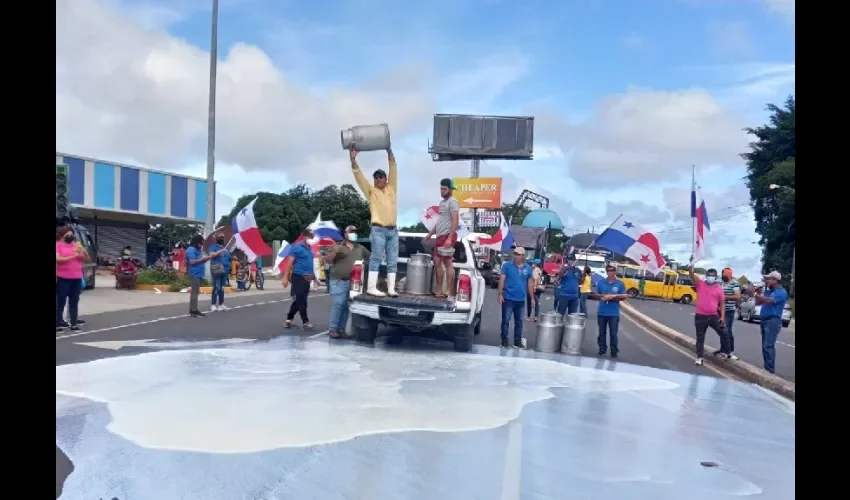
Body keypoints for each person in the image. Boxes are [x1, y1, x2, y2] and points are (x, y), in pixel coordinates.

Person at [350, 146, 399, 297]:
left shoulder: (392, 188)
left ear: (385, 179)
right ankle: (371, 287)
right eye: (376, 178)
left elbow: (393, 169)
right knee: (376, 257)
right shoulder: (371, 191)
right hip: (378, 229)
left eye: (381, 177)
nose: (378, 180)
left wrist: (390, 153)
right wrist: (353, 160)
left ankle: (391, 288)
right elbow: (359, 178)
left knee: (392, 260)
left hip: (393, 230)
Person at [324, 225, 370, 339]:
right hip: (338, 280)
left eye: (355, 231)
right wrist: (334, 252)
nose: (354, 233)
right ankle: (333, 329)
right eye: (351, 231)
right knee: (338, 304)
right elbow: (328, 260)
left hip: (353, 282)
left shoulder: (360, 248)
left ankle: (340, 329)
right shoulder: (338, 247)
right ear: (345, 234)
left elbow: (370, 257)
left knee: (346, 306)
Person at [424, 178, 460, 299]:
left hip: (447, 235)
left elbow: (455, 220)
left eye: (444, 189)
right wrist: (430, 234)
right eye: (441, 188)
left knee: (447, 262)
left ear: (450, 189)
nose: (442, 191)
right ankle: (438, 290)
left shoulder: (453, 202)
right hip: (439, 236)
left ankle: (448, 291)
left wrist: (450, 238)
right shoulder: (442, 203)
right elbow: (440, 221)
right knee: (437, 261)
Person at [689, 265, 731, 365]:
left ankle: (727, 352)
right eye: (708, 275)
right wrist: (691, 265)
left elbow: (722, 303)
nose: (710, 277)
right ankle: (699, 358)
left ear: (716, 277)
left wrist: (722, 317)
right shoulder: (700, 284)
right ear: (706, 276)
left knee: (724, 333)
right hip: (700, 316)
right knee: (700, 337)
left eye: (712, 276)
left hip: (713, 316)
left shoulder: (719, 289)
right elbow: (691, 274)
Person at [282, 229, 321, 330]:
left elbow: (309, 266)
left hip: (307, 279)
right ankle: (305, 321)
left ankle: (288, 320)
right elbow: (289, 263)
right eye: (310, 236)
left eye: (312, 237)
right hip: (298, 277)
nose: (312, 239)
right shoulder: (296, 248)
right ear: (304, 236)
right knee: (301, 300)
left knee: (299, 300)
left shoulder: (310, 249)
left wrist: (315, 279)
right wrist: (285, 277)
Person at [498, 247, 535, 349]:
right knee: (506, 321)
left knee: (519, 322)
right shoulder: (507, 266)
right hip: (508, 298)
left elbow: (530, 284)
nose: (516, 256)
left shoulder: (527, 268)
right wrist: (500, 294)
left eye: (519, 254)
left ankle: (517, 342)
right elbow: (502, 279)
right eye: (515, 254)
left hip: (521, 300)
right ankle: (504, 341)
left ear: (523, 256)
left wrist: (532, 298)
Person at [56, 226, 91, 332]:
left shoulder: (76, 245)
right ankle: (58, 324)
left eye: (72, 234)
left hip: (76, 278)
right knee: (60, 302)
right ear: (63, 235)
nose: (70, 236)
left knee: (74, 302)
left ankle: (74, 324)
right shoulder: (59, 245)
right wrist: (73, 256)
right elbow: (58, 259)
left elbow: (87, 260)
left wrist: (85, 253)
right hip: (63, 278)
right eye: (68, 235)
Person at [754, 271, 788, 374]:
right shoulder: (769, 291)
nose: (767, 281)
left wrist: (756, 294)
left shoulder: (781, 292)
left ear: (775, 280)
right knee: (764, 345)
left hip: (773, 321)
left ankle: (770, 369)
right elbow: (758, 302)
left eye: (769, 279)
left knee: (768, 345)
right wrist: (757, 294)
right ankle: (767, 368)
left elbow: (770, 301)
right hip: (765, 320)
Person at [591, 265, 628, 358]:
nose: (610, 272)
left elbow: (624, 296)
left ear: (615, 272)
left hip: (613, 313)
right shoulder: (601, 282)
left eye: (612, 270)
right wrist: (603, 296)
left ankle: (614, 351)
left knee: (613, 334)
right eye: (608, 270)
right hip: (602, 312)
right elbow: (595, 294)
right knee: (602, 333)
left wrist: (614, 297)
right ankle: (602, 350)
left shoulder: (620, 283)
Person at [185, 235, 226, 318]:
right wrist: (203, 259)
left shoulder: (198, 250)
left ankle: (193, 309)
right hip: (194, 273)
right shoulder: (191, 250)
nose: (201, 245)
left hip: (198, 273)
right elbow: (192, 262)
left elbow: (200, 261)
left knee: (196, 292)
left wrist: (207, 258)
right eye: (200, 243)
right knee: (195, 293)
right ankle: (193, 310)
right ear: (196, 242)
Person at [717, 268, 741, 360]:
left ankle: (730, 351)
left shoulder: (734, 284)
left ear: (729, 275)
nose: (723, 277)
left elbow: (737, 296)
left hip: (729, 310)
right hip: (719, 310)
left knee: (727, 330)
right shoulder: (720, 283)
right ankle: (723, 350)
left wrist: (724, 297)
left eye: (725, 275)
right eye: (722, 275)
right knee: (721, 330)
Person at [208, 234, 232, 312]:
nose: (222, 238)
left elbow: (229, 258)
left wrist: (233, 258)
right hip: (217, 269)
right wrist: (219, 252)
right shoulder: (213, 247)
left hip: (225, 269)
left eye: (223, 237)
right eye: (220, 237)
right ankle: (213, 304)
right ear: (217, 238)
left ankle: (221, 304)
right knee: (216, 286)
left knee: (222, 287)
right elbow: (211, 255)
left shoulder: (226, 248)